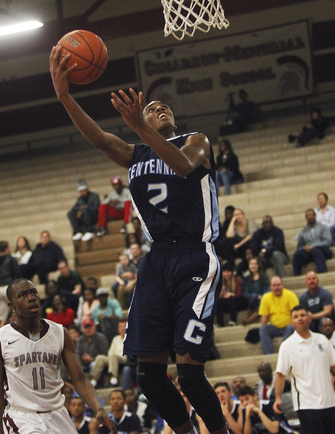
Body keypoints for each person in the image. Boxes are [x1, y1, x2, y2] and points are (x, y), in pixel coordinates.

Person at [52, 47, 228, 434]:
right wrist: (65, 96)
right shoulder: (135, 154)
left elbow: (182, 166)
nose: (160, 108)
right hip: (157, 260)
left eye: (165, 107)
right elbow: (99, 139)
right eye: (152, 108)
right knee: (147, 375)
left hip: (196, 258)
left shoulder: (195, 140)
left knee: (190, 374)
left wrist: (140, 126)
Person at [0, 278, 115, 434]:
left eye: (34, 292)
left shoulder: (60, 333)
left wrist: (98, 407)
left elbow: (80, 379)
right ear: (11, 305)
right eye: (23, 295)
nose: (31, 297)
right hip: (23, 416)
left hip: (57, 413)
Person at [273, 306, 335, 433]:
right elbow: (280, 375)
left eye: (302, 315)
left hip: (329, 403)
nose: (300, 319)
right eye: (296, 317)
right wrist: (278, 398)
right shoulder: (287, 346)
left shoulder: (322, 340)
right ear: (292, 323)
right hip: (306, 405)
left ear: (309, 318)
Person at [258, 276, 299, 355]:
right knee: (263, 329)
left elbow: (296, 315)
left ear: (282, 285)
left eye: (278, 285)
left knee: (291, 327)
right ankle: (268, 355)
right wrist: (263, 327)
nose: (277, 288)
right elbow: (264, 318)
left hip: (289, 326)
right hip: (274, 327)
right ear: (270, 287)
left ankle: (283, 352)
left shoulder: (290, 295)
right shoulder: (266, 298)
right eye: (274, 285)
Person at [292, 209, 333, 276]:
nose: (310, 217)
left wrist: (314, 246)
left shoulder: (323, 227)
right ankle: (297, 275)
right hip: (309, 252)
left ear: (315, 216)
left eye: (311, 215)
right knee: (297, 254)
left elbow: (328, 241)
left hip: (323, 250)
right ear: (306, 218)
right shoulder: (303, 231)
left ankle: (322, 273)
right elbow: (299, 247)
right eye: (308, 216)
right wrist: (305, 248)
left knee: (315, 250)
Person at [0, 240, 20, 324]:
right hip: (8, 287)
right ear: (7, 248)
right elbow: (16, 274)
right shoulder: (11, 259)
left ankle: (0, 335)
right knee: (18, 313)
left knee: (2, 319)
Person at [90, 318, 127, 387]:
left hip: (124, 357)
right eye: (120, 326)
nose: (122, 328)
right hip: (113, 358)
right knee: (100, 357)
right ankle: (94, 380)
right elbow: (110, 351)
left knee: (113, 356)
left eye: (124, 326)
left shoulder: (130, 338)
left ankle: (113, 379)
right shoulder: (116, 338)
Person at [216, 262, 246, 327]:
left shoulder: (238, 280)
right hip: (226, 303)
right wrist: (222, 295)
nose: (227, 274)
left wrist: (231, 294)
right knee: (219, 301)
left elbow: (240, 294)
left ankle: (233, 321)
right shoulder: (220, 281)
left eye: (228, 271)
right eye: (225, 272)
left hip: (238, 302)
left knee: (230, 299)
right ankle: (220, 323)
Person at [243, 258, 270, 325]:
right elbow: (246, 293)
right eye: (251, 264)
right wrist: (255, 296)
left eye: (255, 264)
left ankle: (248, 320)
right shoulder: (247, 278)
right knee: (253, 298)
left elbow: (267, 290)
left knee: (261, 303)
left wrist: (262, 296)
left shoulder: (264, 277)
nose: (253, 266)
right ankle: (249, 319)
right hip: (252, 300)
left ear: (258, 265)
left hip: (262, 299)